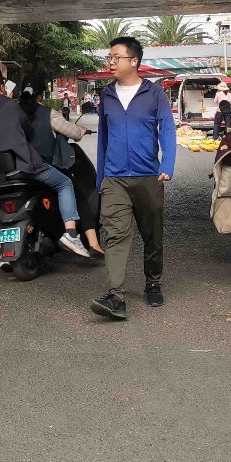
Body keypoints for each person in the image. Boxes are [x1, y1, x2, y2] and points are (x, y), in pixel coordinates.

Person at [91, 36, 177, 320]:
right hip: (114, 178)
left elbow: (167, 128)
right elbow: (103, 138)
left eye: (116, 57)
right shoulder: (107, 95)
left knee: (152, 235)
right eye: (109, 57)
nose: (111, 62)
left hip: (148, 176)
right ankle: (116, 296)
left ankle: (153, 282)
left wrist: (168, 163)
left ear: (134, 61)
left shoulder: (154, 94)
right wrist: (101, 178)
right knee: (115, 235)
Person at [0, 68, 91, 258]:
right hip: (23, 167)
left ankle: (4, 253)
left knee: (1, 202)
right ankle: (71, 234)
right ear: (2, 87)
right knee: (64, 183)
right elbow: (27, 130)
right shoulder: (10, 106)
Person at [19, 84, 103, 255]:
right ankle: (92, 244)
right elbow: (73, 132)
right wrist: (82, 130)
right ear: (40, 96)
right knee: (78, 194)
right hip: (45, 166)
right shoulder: (48, 113)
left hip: (19, 169)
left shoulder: (13, 112)